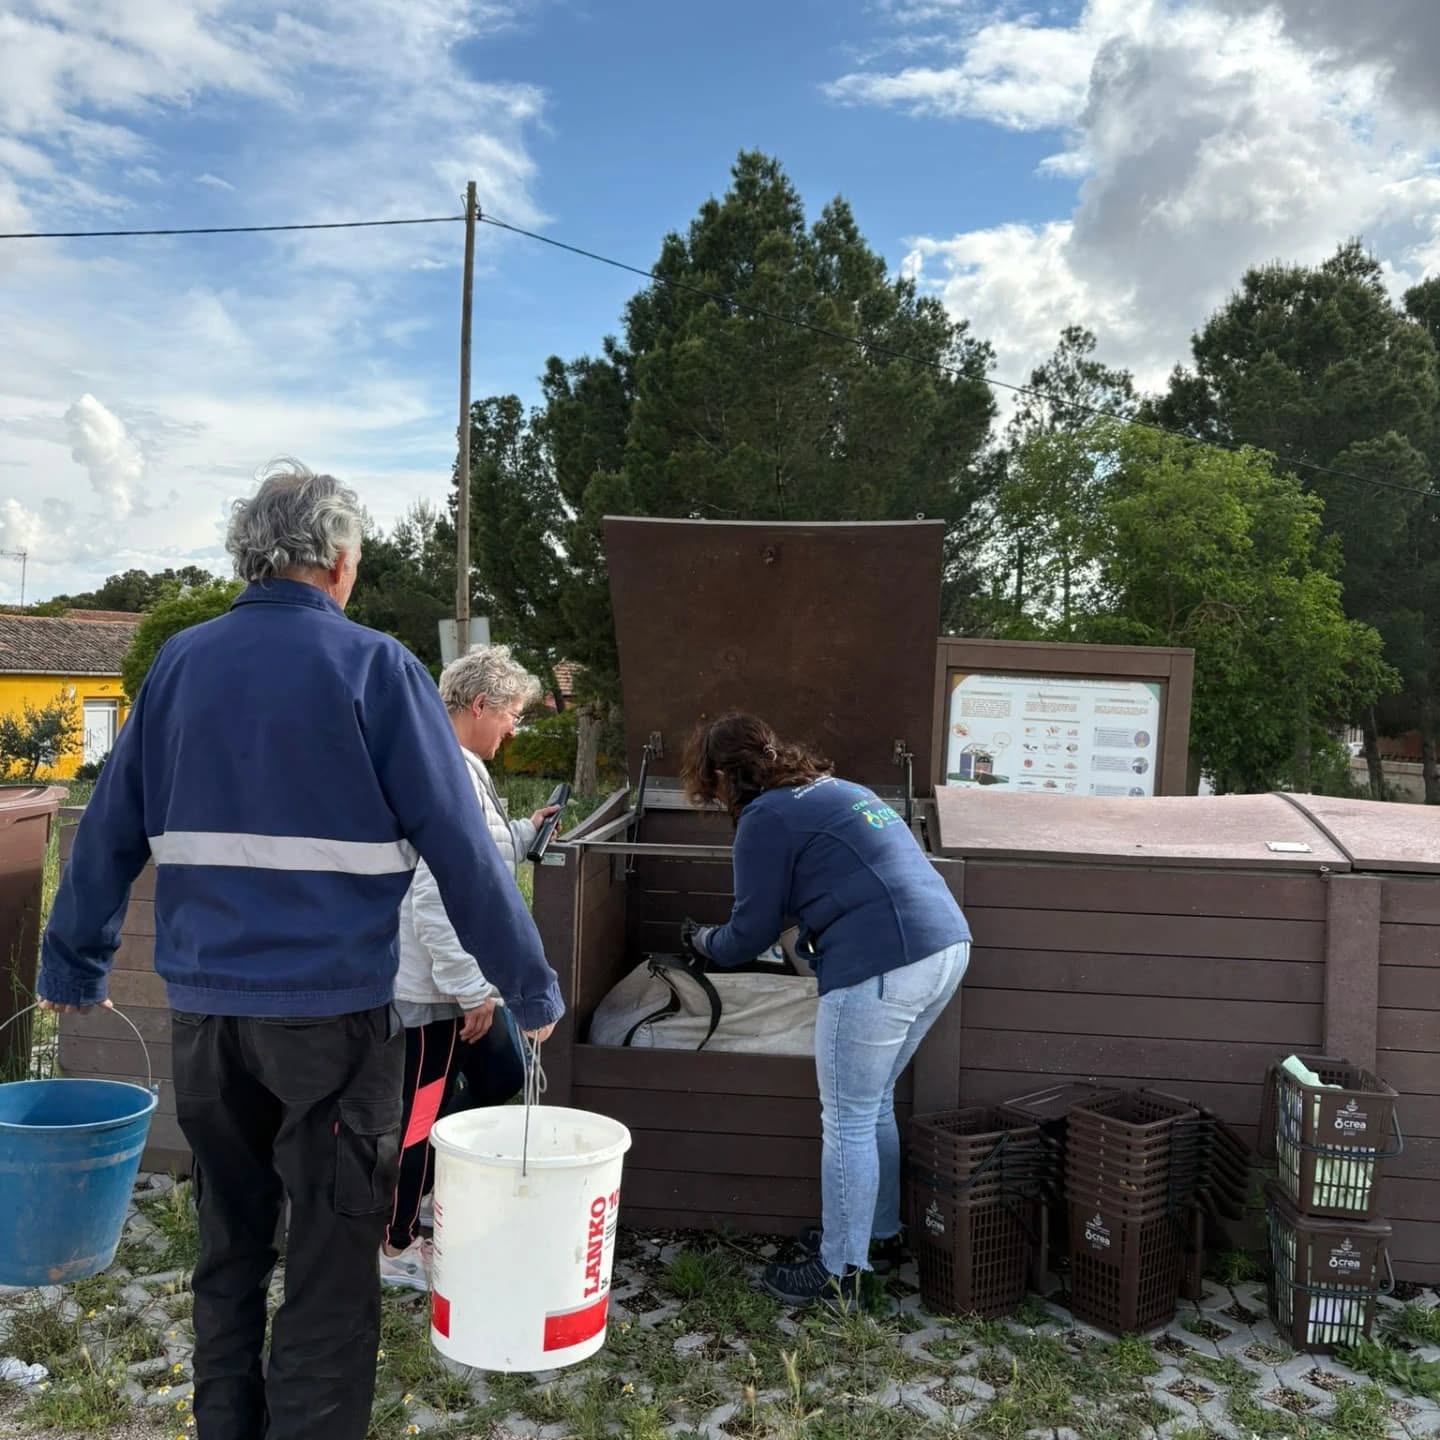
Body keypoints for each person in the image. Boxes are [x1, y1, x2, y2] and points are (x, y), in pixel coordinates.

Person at [37, 463, 563, 1440]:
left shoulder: (179, 668)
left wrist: (73, 962)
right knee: (328, 1263)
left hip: (206, 1022)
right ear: (340, 562)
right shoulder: (376, 669)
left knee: (229, 1247)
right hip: (334, 1023)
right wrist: (526, 983)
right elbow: (461, 849)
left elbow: (106, 829)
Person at [681, 712, 970, 1309]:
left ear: (721, 775)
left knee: (846, 1120)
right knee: (872, 1107)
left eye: (712, 788)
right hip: (944, 948)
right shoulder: (843, 790)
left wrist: (698, 940)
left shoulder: (764, 818)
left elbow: (746, 935)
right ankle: (877, 1239)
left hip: (881, 961)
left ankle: (843, 1272)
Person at [381, 644, 559, 1289]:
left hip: (451, 983)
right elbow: (436, 895)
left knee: (489, 1075)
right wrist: (468, 990)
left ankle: (426, 1195)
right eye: (512, 713)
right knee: (420, 1112)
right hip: (433, 989)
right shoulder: (450, 770)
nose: (515, 728)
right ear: (480, 705)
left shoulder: (456, 765)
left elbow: (474, 854)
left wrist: (521, 831)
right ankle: (395, 1242)